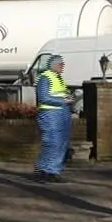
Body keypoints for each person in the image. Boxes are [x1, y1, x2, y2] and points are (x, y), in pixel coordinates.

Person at [29, 53, 72, 183]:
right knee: (52, 143)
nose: (62, 66)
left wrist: (70, 99)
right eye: (60, 64)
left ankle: (53, 171)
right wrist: (63, 101)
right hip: (50, 114)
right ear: (53, 65)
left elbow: (62, 94)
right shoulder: (45, 78)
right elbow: (43, 97)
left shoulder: (59, 78)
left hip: (62, 113)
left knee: (62, 144)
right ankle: (44, 170)